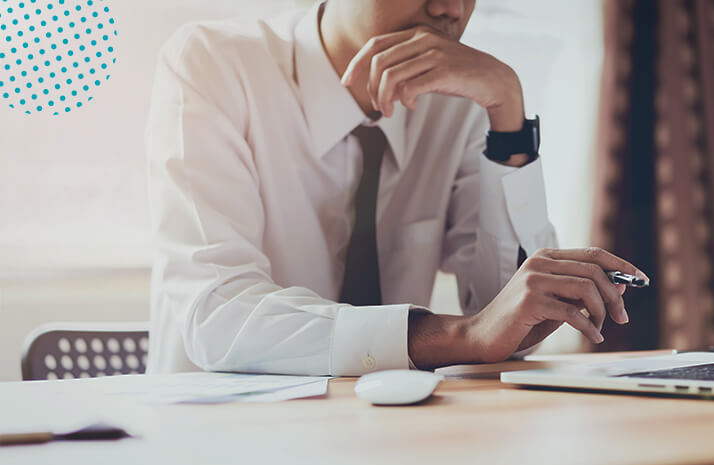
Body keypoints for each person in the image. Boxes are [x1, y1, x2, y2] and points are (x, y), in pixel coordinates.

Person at [145, 0, 648, 376]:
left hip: (395, 434)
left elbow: (510, 323)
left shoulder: (459, 99)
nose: (449, 8)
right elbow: (217, 313)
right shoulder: (212, 65)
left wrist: (508, 112)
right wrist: (458, 335)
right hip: (223, 435)